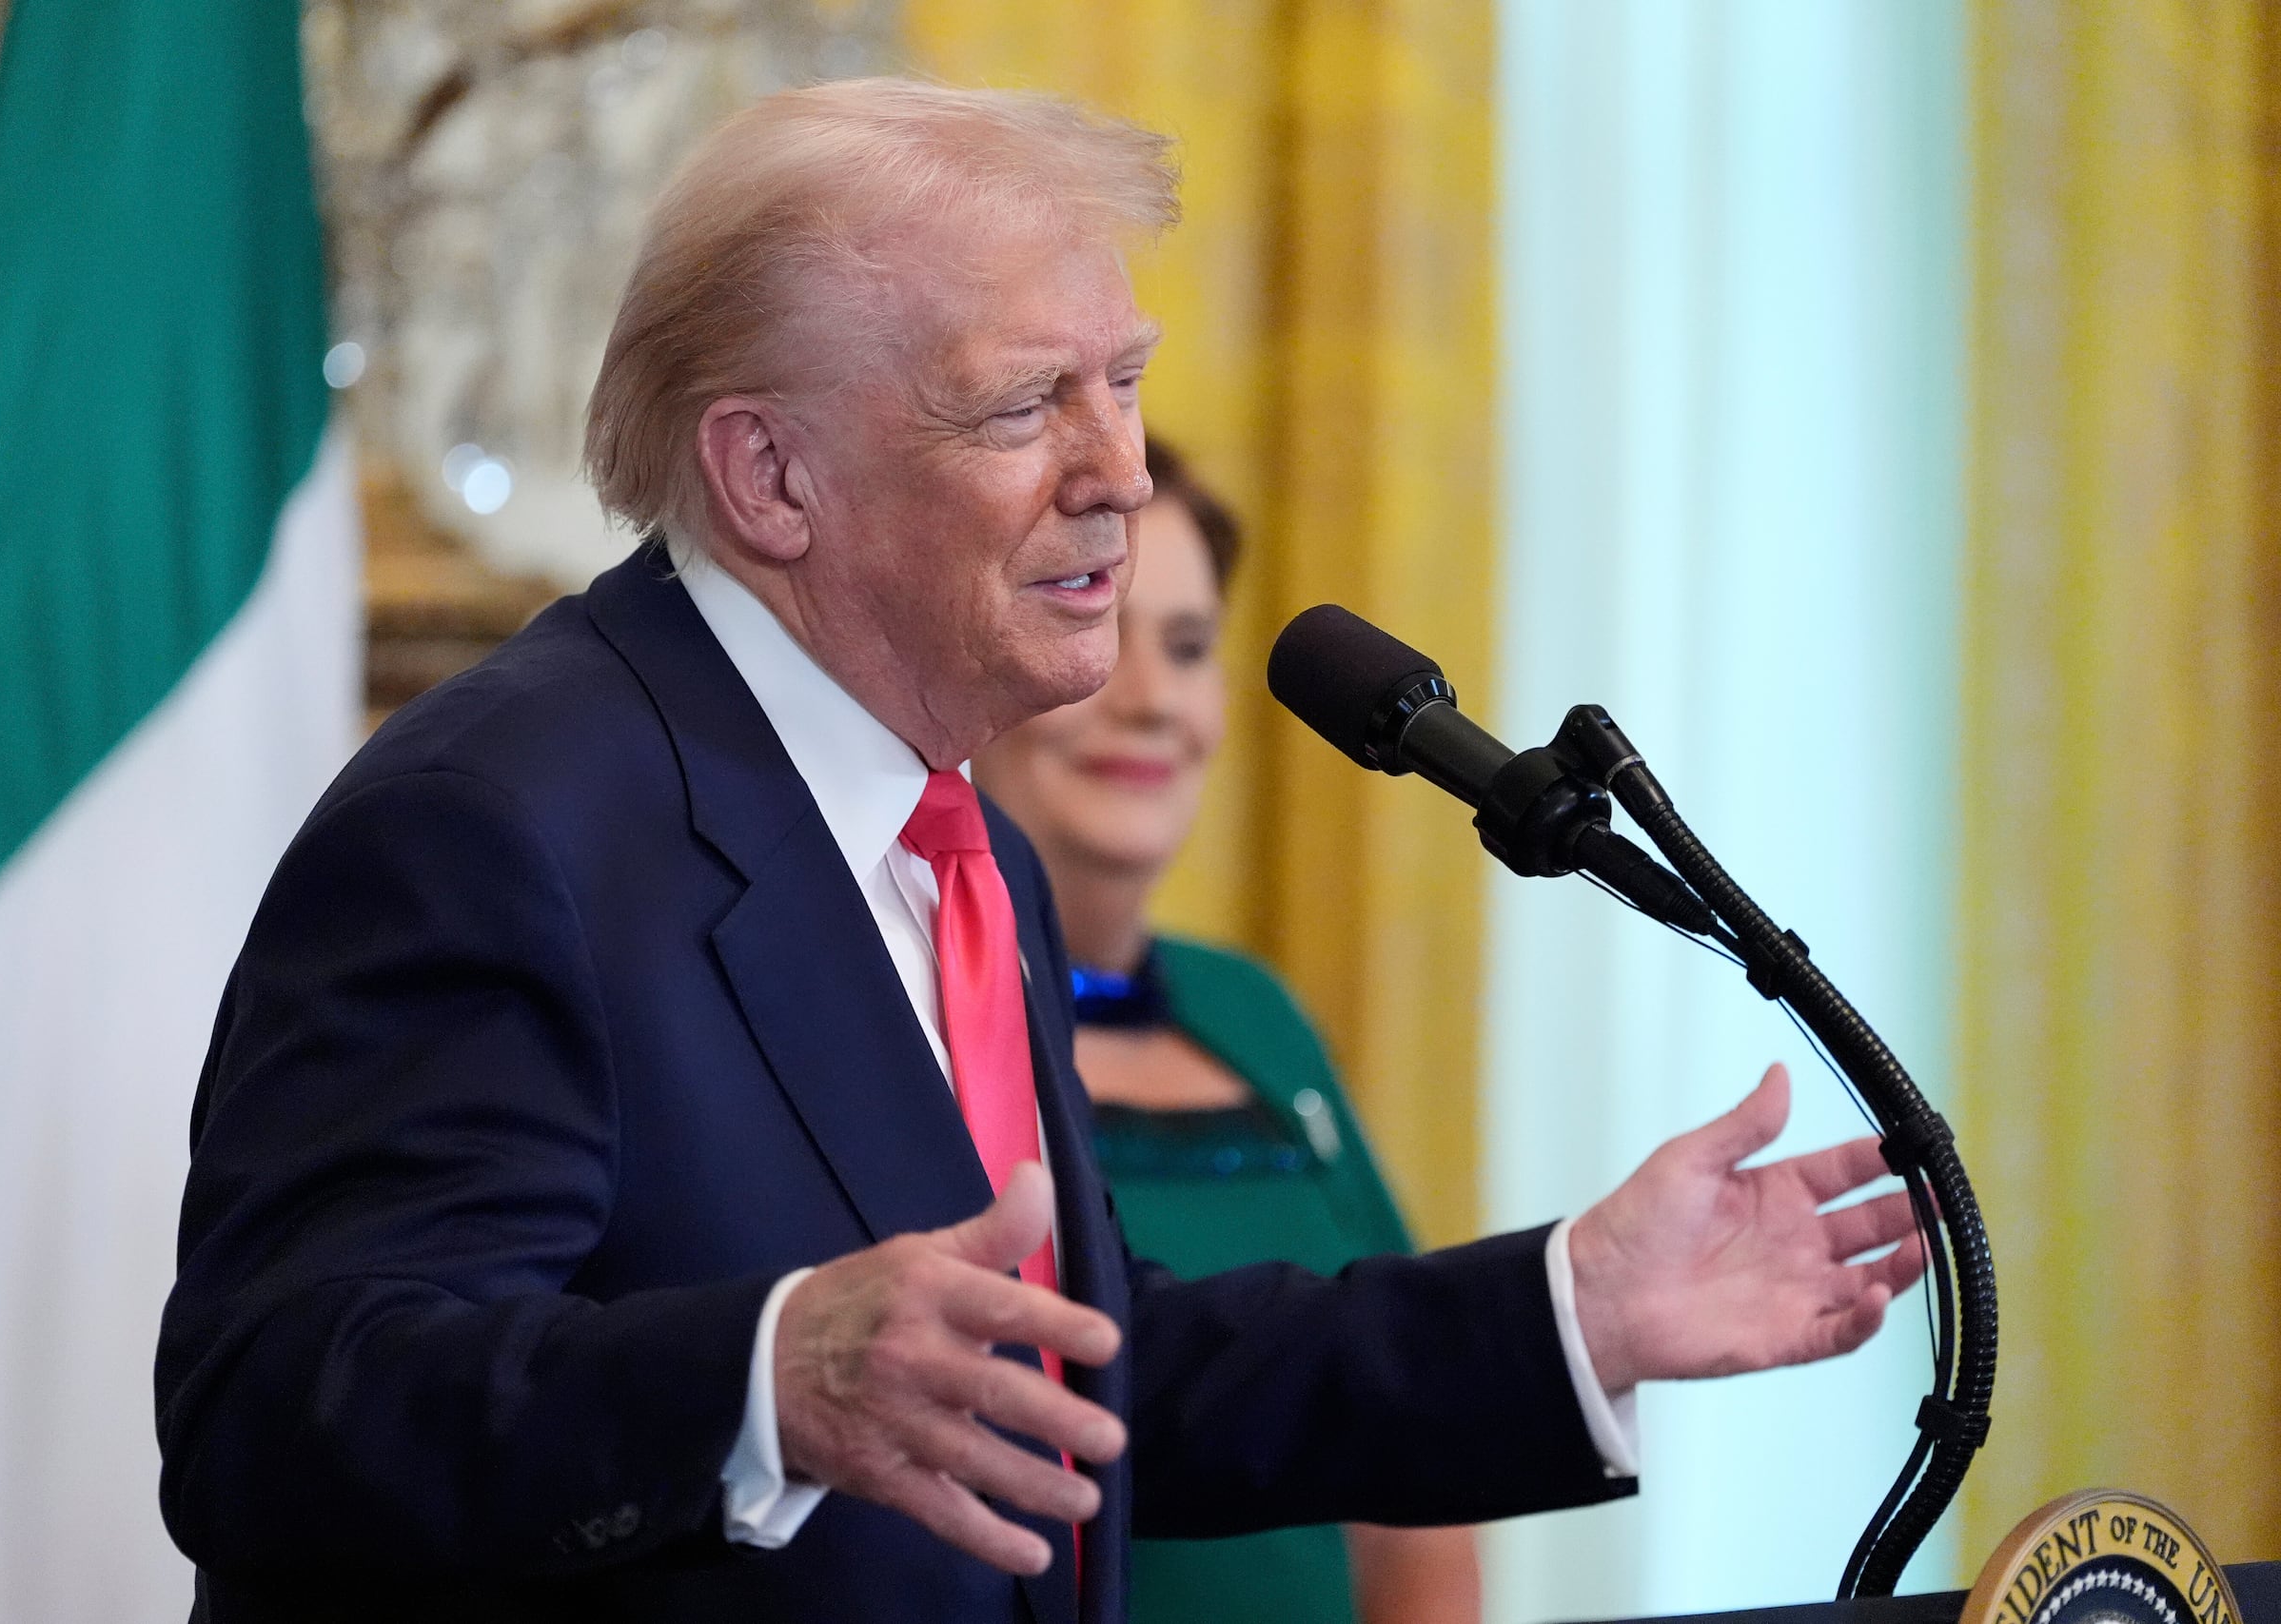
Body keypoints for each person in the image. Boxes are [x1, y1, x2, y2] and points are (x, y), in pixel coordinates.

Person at [154, 79, 1927, 1624]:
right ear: (772, 476)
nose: (1121, 473)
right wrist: (767, 1380)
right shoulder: (503, 824)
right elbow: (277, 1411)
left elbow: (1072, 1374)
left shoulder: (957, 831)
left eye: (1125, 382)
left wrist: (1568, 1311)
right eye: (1024, 407)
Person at [974, 438, 1483, 1624]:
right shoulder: (898, 1016)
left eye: (1190, 648)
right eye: (1101, 631)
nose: (1151, 699)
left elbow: (1409, 1459)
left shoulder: (1252, 1013)